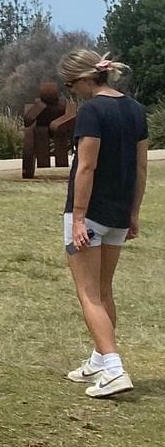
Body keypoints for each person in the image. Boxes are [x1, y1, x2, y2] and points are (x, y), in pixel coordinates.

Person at [60, 49, 149, 398]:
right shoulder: (136, 109)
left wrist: (78, 217)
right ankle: (99, 358)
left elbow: (86, 167)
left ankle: (113, 368)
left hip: (91, 213)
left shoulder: (92, 111)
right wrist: (133, 213)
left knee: (88, 293)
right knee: (104, 289)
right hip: (118, 213)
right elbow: (141, 168)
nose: (72, 91)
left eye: (71, 85)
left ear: (84, 79)